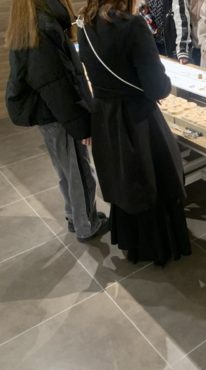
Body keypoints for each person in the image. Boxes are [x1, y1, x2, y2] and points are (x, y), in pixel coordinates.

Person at [78, 0, 192, 265]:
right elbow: (157, 86)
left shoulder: (84, 24)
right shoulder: (132, 25)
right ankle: (157, 247)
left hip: (105, 117)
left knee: (124, 180)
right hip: (137, 119)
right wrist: (164, 85)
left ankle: (133, 243)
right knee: (152, 181)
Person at [5, 0, 108, 242]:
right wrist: (80, 124)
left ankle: (75, 216)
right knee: (79, 171)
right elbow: (58, 86)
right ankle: (86, 225)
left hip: (49, 113)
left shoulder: (29, 21)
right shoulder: (44, 25)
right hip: (60, 114)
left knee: (66, 169)